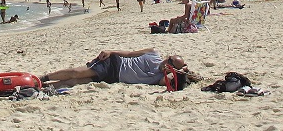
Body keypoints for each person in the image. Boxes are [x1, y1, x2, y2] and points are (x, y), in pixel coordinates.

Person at [39, 48, 190, 88]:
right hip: (113, 63)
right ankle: (43, 78)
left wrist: (181, 71)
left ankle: (47, 87)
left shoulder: (160, 78)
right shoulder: (153, 53)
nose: (167, 63)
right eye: (169, 59)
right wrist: (111, 51)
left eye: (171, 64)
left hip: (114, 78)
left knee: (77, 82)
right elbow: (130, 53)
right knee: (76, 73)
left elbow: (168, 82)